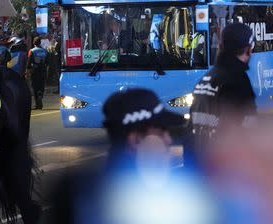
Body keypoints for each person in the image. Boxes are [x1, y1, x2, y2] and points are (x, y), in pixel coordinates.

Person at [51, 88, 187, 224]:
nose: (168, 140)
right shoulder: (148, 207)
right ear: (136, 139)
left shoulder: (85, 197)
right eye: (161, 132)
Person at [189, 23, 257, 151]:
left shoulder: (205, 80)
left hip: (200, 163)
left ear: (220, 46)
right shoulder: (237, 80)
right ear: (248, 50)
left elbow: (189, 133)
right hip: (225, 164)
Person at [28, 37, 48, 109]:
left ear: (34, 43)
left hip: (35, 71)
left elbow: (29, 62)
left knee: (35, 87)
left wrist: (28, 70)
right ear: (40, 43)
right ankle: (41, 94)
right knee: (41, 85)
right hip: (43, 71)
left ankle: (37, 104)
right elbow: (47, 62)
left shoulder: (32, 51)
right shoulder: (45, 51)